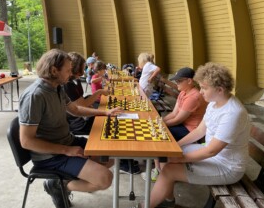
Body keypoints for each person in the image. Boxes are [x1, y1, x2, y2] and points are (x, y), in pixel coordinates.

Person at [137, 62, 251, 208]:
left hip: (227, 166)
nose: (201, 91)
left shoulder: (233, 113)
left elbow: (211, 150)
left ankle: (146, 205)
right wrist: (176, 146)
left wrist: (180, 159)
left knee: (169, 170)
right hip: (213, 155)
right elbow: (199, 131)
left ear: (220, 89)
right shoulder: (214, 102)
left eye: (204, 88)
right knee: (164, 157)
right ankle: (167, 199)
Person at [19, 49, 122, 208]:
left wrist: (105, 112)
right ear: (54, 70)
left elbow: (75, 109)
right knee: (105, 178)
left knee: (111, 156)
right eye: (67, 70)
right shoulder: (35, 96)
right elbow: (26, 141)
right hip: (50, 157)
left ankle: (67, 179)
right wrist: (66, 151)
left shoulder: (57, 87)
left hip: (67, 142)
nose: (71, 74)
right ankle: (57, 185)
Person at [141, 67, 207, 182]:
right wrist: (160, 121)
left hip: (191, 130)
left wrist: (160, 124)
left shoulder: (194, 97)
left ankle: (160, 172)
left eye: (179, 81)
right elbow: (174, 113)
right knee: (157, 130)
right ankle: (159, 169)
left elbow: (178, 120)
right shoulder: (183, 93)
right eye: (176, 81)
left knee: (159, 136)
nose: (176, 83)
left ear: (190, 81)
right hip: (183, 125)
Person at [64, 52, 110, 135]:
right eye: (83, 66)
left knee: (102, 112)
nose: (84, 68)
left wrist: (89, 105)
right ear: (76, 68)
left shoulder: (76, 80)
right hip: (75, 121)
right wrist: (99, 92)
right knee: (104, 121)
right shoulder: (67, 84)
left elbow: (81, 100)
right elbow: (82, 105)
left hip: (80, 115)